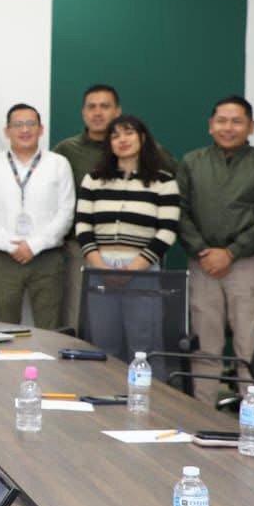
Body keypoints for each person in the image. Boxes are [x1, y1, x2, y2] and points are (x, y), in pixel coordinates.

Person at [176, 96, 254, 407]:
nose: (228, 127)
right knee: (205, 344)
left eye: (237, 121)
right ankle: (201, 412)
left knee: (249, 344)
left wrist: (232, 252)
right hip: (203, 263)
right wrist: (203, 250)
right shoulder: (192, 162)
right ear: (210, 125)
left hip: (247, 263)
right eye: (222, 121)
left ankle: (252, 416)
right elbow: (179, 211)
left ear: (251, 126)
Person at [52, 85, 174, 329]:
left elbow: (170, 208)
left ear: (117, 111)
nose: (98, 112)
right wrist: (97, 260)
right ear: (83, 112)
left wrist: (139, 263)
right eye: (92, 107)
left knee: (142, 329)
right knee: (84, 319)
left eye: (105, 106)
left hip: (141, 256)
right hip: (85, 250)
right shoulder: (66, 150)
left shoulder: (155, 155)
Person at [74, 115, 181, 371]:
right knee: (103, 345)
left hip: (142, 269)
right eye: (115, 135)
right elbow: (83, 226)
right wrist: (101, 267)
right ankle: (106, 394)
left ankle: (149, 396)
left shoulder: (164, 182)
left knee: (144, 346)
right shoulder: (93, 179)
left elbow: (167, 231)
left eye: (129, 133)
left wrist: (133, 268)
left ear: (142, 138)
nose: (122, 140)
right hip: (99, 268)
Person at [0, 103, 73, 330]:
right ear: (7, 131)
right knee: (3, 327)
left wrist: (34, 245)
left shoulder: (59, 164)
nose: (25, 130)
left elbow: (66, 211)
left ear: (41, 129)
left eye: (31, 124)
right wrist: (11, 246)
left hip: (48, 258)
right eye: (18, 124)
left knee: (50, 328)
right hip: (5, 258)